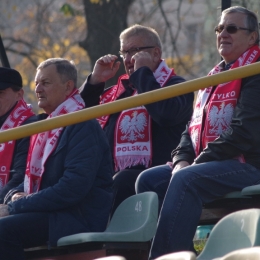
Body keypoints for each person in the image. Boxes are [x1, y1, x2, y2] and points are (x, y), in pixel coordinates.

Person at [136, 6, 260, 259]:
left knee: (186, 178)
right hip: (213, 162)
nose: (223, 33)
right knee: (148, 181)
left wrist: (196, 162)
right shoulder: (216, 75)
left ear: (252, 37)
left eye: (232, 28)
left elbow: (244, 133)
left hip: (250, 164)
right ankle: (180, 250)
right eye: (220, 28)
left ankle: (164, 256)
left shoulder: (255, 73)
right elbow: (192, 127)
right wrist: (182, 159)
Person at [0, 58, 113, 260]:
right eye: (36, 83)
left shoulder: (82, 124)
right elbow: (29, 181)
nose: (38, 89)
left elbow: (73, 188)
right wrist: (16, 196)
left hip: (75, 216)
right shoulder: (46, 126)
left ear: (68, 86)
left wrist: (16, 206)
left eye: (46, 83)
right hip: (50, 212)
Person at [80, 24, 194, 214]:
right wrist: (95, 82)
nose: (128, 59)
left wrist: (143, 73)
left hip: (156, 174)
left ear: (156, 54)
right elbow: (81, 122)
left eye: (135, 51)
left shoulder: (177, 85)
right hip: (113, 175)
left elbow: (164, 114)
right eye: (124, 52)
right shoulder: (119, 92)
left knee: (120, 182)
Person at [0, 67, 37, 203]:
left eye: (0, 93)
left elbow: (21, 176)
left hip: (11, 204)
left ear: (19, 94)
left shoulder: (30, 125)